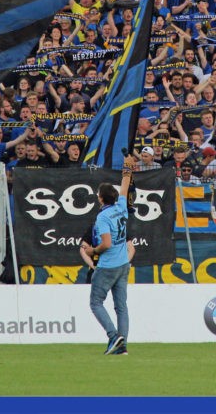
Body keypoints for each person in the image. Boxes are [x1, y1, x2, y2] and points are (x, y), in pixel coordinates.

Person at [82, 153, 136, 356]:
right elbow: (125, 185)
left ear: (101, 198)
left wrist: (92, 250)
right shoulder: (121, 206)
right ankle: (122, 346)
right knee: (121, 306)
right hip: (123, 263)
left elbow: (105, 243)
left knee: (95, 302)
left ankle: (114, 336)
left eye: (98, 194)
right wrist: (127, 168)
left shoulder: (102, 217)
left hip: (109, 264)